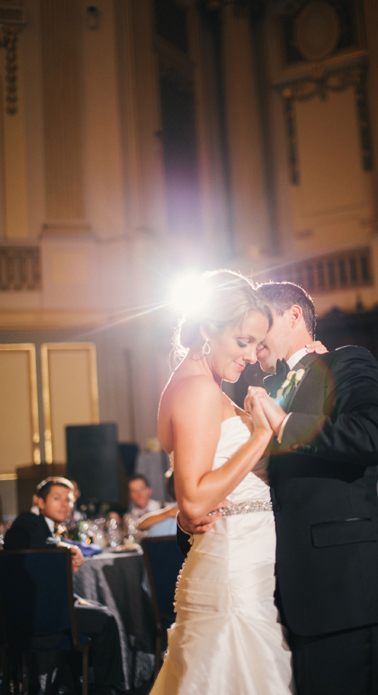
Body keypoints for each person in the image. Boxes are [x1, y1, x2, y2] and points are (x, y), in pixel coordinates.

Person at [180, 280, 378, 695]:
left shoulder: (346, 363)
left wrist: (284, 424)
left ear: (293, 316)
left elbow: (377, 437)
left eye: (261, 323)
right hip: (274, 593)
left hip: (343, 591)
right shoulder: (262, 390)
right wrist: (197, 510)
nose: (251, 338)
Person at [149, 270, 293, 694]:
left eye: (257, 343)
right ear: (209, 329)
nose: (251, 355)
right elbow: (193, 501)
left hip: (240, 569)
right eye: (242, 341)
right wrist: (262, 436)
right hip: (233, 579)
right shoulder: (197, 389)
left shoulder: (200, 384)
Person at [4, 477, 124, 695]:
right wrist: (63, 546)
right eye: (57, 499)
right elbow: (15, 540)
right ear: (40, 502)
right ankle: (108, 688)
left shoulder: (53, 530)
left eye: (69, 500)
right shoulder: (29, 521)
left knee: (101, 610)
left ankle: (76, 683)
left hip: (52, 606)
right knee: (105, 619)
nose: (65, 505)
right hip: (38, 614)